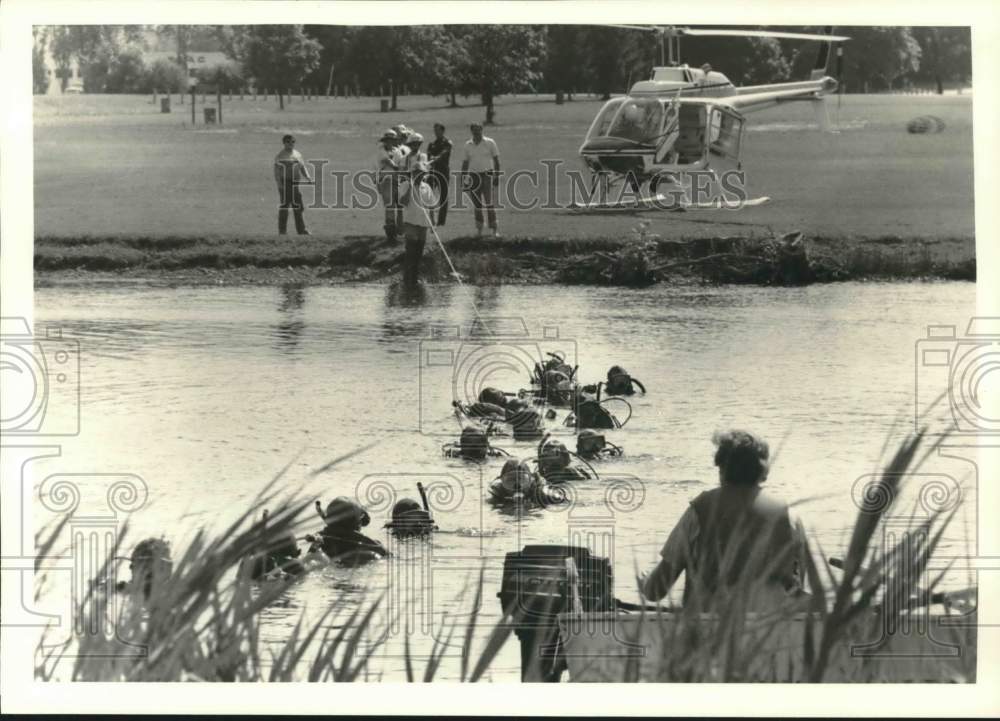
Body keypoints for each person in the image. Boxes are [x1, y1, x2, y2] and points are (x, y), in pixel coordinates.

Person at [639, 430, 807, 611]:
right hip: (771, 628)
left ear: (722, 469)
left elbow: (657, 590)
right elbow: (797, 585)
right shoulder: (788, 515)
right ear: (763, 470)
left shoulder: (700, 511)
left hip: (709, 628)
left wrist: (644, 583)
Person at [399, 132, 435, 286]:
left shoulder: (426, 187)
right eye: (417, 173)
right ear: (413, 174)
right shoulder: (406, 185)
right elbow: (403, 202)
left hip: (423, 223)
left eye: (421, 174)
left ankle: (414, 277)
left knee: (419, 251)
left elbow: (432, 205)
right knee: (410, 250)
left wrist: (432, 223)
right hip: (411, 222)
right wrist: (411, 185)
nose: (420, 176)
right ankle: (408, 278)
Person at [307, 496, 388, 565]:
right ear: (357, 523)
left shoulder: (322, 538)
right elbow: (385, 554)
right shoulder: (367, 542)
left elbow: (309, 556)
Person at [460, 122, 501, 238]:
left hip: (487, 174)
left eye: (478, 130)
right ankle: (479, 229)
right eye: (474, 131)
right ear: (471, 131)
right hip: (473, 176)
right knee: (477, 204)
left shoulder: (490, 142)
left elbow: (497, 160)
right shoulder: (467, 145)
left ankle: (494, 229)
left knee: (489, 202)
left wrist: (497, 176)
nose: (477, 133)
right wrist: (463, 179)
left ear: (482, 130)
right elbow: (465, 163)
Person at [273, 134, 313, 235]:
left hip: (295, 184)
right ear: (284, 143)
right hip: (285, 184)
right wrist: (279, 184)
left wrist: (308, 177)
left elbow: (302, 167)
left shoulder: (297, 154)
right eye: (288, 142)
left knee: (298, 207)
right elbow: (277, 171)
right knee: (285, 208)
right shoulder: (280, 156)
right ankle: (282, 231)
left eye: (293, 142)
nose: (291, 144)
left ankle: (302, 230)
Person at [375, 129, 402, 242]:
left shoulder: (397, 151)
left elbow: (402, 163)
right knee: (390, 206)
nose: (389, 142)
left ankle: (400, 230)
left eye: (392, 140)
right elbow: (387, 161)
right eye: (388, 140)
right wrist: (396, 166)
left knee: (400, 206)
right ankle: (391, 233)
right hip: (386, 180)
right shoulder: (381, 150)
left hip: (397, 180)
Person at [427, 123, 453, 226]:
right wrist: (431, 159)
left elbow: (444, 153)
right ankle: (431, 219)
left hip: (443, 172)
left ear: (443, 131)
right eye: (435, 131)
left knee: (443, 197)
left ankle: (441, 222)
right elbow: (429, 156)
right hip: (432, 172)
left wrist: (436, 158)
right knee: (430, 196)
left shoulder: (448, 143)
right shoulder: (431, 144)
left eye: (438, 130)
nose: (436, 132)